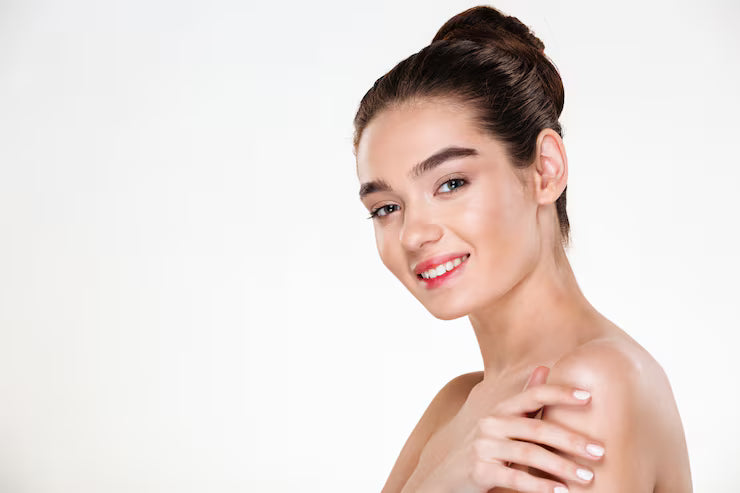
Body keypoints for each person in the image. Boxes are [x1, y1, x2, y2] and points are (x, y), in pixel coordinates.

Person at [352, 5, 692, 493]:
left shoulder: (592, 385)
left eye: (451, 183)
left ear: (545, 170)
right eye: (386, 207)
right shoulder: (455, 406)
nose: (412, 234)